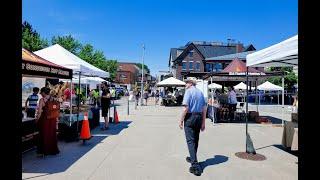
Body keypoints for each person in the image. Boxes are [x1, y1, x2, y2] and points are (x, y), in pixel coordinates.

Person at [179, 77, 207, 176]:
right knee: (195, 139)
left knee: (190, 141)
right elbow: (204, 109)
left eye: (186, 82)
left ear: (191, 83)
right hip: (199, 116)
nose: (185, 84)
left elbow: (185, 108)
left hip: (190, 117)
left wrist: (181, 120)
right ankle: (193, 157)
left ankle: (195, 165)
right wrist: (203, 122)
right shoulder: (200, 92)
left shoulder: (188, 92)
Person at [35, 87, 60, 156]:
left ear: (43, 92)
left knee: (44, 134)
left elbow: (39, 112)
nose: (40, 93)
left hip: (45, 119)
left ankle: (44, 150)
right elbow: (57, 109)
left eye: (41, 92)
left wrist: (37, 119)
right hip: (53, 119)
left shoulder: (42, 100)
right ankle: (52, 150)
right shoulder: (54, 99)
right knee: (52, 134)